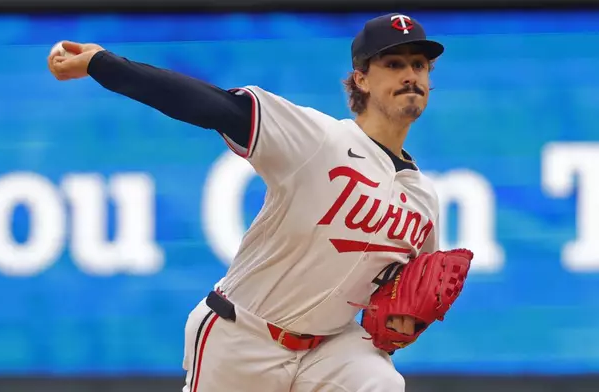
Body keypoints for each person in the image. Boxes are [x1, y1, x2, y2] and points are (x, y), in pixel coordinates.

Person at [48, 12, 444, 392]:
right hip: (244, 334)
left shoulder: (423, 199)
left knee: (380, 381)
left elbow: (409, 291)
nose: (411, 75)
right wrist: (104, 64)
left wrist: (407, 319)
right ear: (361, 79)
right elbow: (210, 105)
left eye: (419, 65)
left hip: (330, 348)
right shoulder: (318, 139)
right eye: (393, 64)